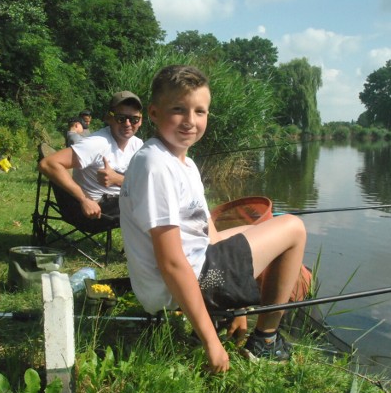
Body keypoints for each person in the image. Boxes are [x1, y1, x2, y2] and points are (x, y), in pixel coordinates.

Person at [119, 65, 307, 373]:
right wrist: (211, 343)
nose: (190, 122)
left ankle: (238, 312)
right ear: (153, 112)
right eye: (178, 110)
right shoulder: (155, 165)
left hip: (198, 265)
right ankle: (266, 341)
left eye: (200, 111)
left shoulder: (186, 164)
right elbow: (171, 263)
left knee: (258, 226)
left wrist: (239, 305)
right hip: (177, 285)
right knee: (293, 228)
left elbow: (212, 236)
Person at [39, 91, 143, 219]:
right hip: (97, 210)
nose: (128, 124)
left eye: (134, 119)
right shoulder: (97, 143)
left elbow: (145, 182)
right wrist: (84, 200)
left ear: (140, 121)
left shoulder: (138, 145)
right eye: (120, 118)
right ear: (109, 118)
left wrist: (118, 179)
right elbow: (48, 164)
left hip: (121, 202)